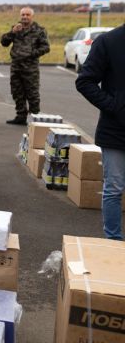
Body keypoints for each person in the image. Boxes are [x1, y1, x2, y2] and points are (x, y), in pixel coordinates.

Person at [75, 23, 125, 240]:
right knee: (114, 188)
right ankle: (113, 241)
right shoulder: (109, 41)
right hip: (116, 130)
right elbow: (85, 81)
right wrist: (114, 106)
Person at [0, 7, 50, 124]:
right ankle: (21, 116)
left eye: (27, 15)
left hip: (30, 68)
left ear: (32, 16)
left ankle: (34, 117)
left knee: (32, 94)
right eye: (23, 15)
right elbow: (4, 42)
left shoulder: (39, 30)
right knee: (17, 92)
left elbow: (46, 47)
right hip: (16, 67)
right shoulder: (16, 28)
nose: (25, 17)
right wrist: (12, 32)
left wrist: (31, 54)